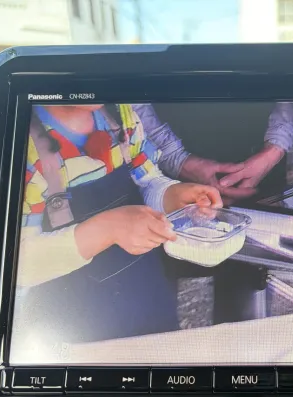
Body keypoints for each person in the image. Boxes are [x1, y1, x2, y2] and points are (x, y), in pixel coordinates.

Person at [13, 103, 221, 350]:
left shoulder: (122, 116)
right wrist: (109, 229)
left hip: (149, 296)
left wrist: (174, 196)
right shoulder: (21, 147)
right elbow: (20, 265)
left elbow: (148, 180)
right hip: (75, 328)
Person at [132, 102, 293, 203]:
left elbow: (291, 76)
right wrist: (176, 159)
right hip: (173, 171)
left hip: (266, 165)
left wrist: (274, 149)